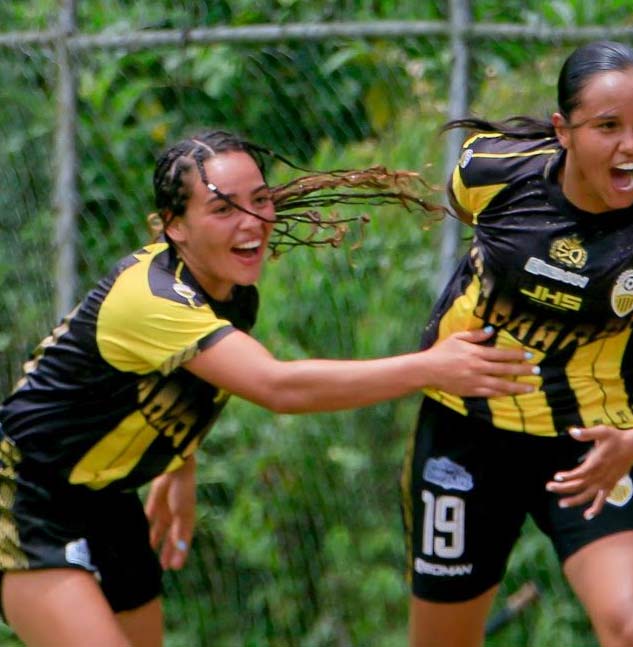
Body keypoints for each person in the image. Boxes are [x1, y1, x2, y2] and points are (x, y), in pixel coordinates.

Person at [0, 130, 538, 647]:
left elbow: (166, 379)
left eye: (260, 199)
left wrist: (178, 463)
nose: (252, 221)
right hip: (26, 495)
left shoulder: (228, 293)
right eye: (223, 208)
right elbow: (276, 386)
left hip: (106, 496)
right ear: (173, 226)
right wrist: (430, 367)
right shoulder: (150, 299)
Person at [401, 41, 633, 647]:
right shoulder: (488, 173)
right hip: (464, 433)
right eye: (608, 127)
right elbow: (461, 215)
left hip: (594, 445)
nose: (632, 146)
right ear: (562, 131)